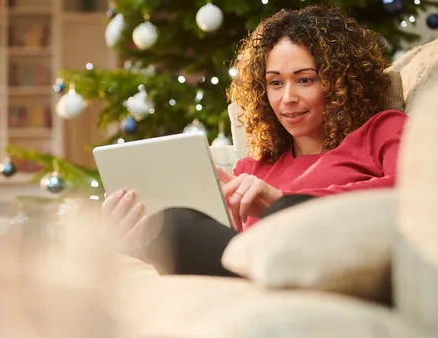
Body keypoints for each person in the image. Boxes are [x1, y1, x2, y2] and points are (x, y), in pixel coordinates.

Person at [101, 5, 407, 277]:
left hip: (330, 258)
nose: (287, 98)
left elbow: (417, 193)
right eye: (275, 83)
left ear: (342, 81)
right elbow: (216, 245)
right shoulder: (253, 170)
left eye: (305, 79)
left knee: (196, 224)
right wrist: (140, 240)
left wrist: (282, 202)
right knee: (173, 226)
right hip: (248, 269)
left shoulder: (381, 130)